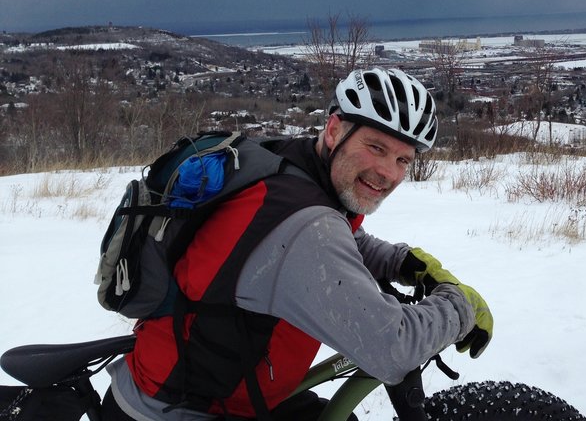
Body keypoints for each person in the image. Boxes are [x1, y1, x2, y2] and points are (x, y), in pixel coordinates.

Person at [103, 67, 493, 421]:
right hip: (178, 410)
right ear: (335, 129)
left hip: (216, 384)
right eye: (376, 147)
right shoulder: (306, 227)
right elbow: (393, 347)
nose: (388, 173)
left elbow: (340, 236)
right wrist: (460, 308)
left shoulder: (291, 163)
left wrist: (402, 262)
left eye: (403, 160)